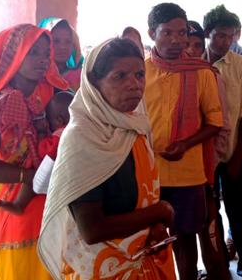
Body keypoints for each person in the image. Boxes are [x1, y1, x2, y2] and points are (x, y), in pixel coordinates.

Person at [38, 38, 176, 280]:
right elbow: (92, 229)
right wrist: (159, 212)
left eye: (139, 75)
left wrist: (155, 226)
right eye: (119, 76)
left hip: (142, 259)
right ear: (94, 84)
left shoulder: (135, 126)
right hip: (102, 268)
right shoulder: (83, 137)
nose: (134, 84)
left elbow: (145, 192)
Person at [0, 23, 69, 279]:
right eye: (33, 52)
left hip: (59, 199)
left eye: (44, 53)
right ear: (11, 54)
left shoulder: (57, 96)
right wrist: (31, 177)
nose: (42, 59)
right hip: (17, 204)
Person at [144, 2, 225, 280]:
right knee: (147, 240)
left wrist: (186, 144)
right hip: (147, 173)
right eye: (167, 33)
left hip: (187, 175)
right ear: (152, 33)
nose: (176, 40)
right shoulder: (139, 72)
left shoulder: (201, 72)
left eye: (181, 33)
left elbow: (215, 122)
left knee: (185, 237)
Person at [202, 4, 242, 280]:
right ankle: (219, 264)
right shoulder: (196, 64)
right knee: (208, 213)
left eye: (229, 36)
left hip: (230, 154)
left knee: (237, 212)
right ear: (207, 33)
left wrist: (238, 157)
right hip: (202, 157)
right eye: (219, 36)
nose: (224, 42)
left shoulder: (241, 65)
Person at [0, 91, 73, 215]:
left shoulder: (61, 133)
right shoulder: (79, 129)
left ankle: (19, 205)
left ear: (59, 120)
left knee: (32, 176)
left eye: (50, 121)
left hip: (55, 171)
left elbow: (46, 151)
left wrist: (42, 135)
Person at [38, 17, 84, 91]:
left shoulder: (81, 77)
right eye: (56, 41)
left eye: (68, 41)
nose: (63, 47)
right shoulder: (36, 76)